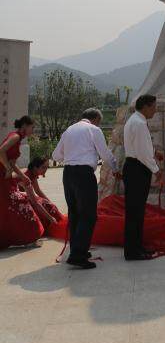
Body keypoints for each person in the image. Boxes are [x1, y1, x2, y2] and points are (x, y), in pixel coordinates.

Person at [52, 108, 118, 269]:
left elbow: (56, 156)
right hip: (84, 174)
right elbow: (105, 153)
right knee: (88, 214)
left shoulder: (69, 130)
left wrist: (72, 155)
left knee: (74, 213)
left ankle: (77, 248)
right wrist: (116, 169)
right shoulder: (94, 130)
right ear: (95, 119)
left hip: (68, 173)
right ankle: (78, 254)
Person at [122, 94, 160, 260]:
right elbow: (143, 153)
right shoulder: (139, 123)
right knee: (135, 212)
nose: (155, 110)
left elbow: (141, 148)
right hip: (137, 169)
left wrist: (154, 153)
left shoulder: (135, 121)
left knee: (136, 211)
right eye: (153, 106)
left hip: (134, 167)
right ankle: (133, 251)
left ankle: (137, 246)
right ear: (145, 106)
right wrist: (157, 171)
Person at [0, 116, 44, 247]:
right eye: (32, 127)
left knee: (9, 208)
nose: (33, 130)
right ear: (25, 125)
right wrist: (7, 168)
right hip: (2, 177)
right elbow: (1, 151)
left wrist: (22, 176)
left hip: (5, 177)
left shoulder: (17, 138)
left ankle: (22, 237)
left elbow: (12, 163)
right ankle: (29, 237)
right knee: (19, 204)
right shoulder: (15, 136)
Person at [22, 156, 63, 231]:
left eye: (47, 167)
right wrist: (50, 218)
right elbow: (35, 202)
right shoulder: (26, 176)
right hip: (10, 198)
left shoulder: (33, 174)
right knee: (41, 204)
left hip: (23, 196)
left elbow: (38, 191)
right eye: (43, 167)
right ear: (35, 168)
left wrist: (51, 203)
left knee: (47, 204)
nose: (46, 170)